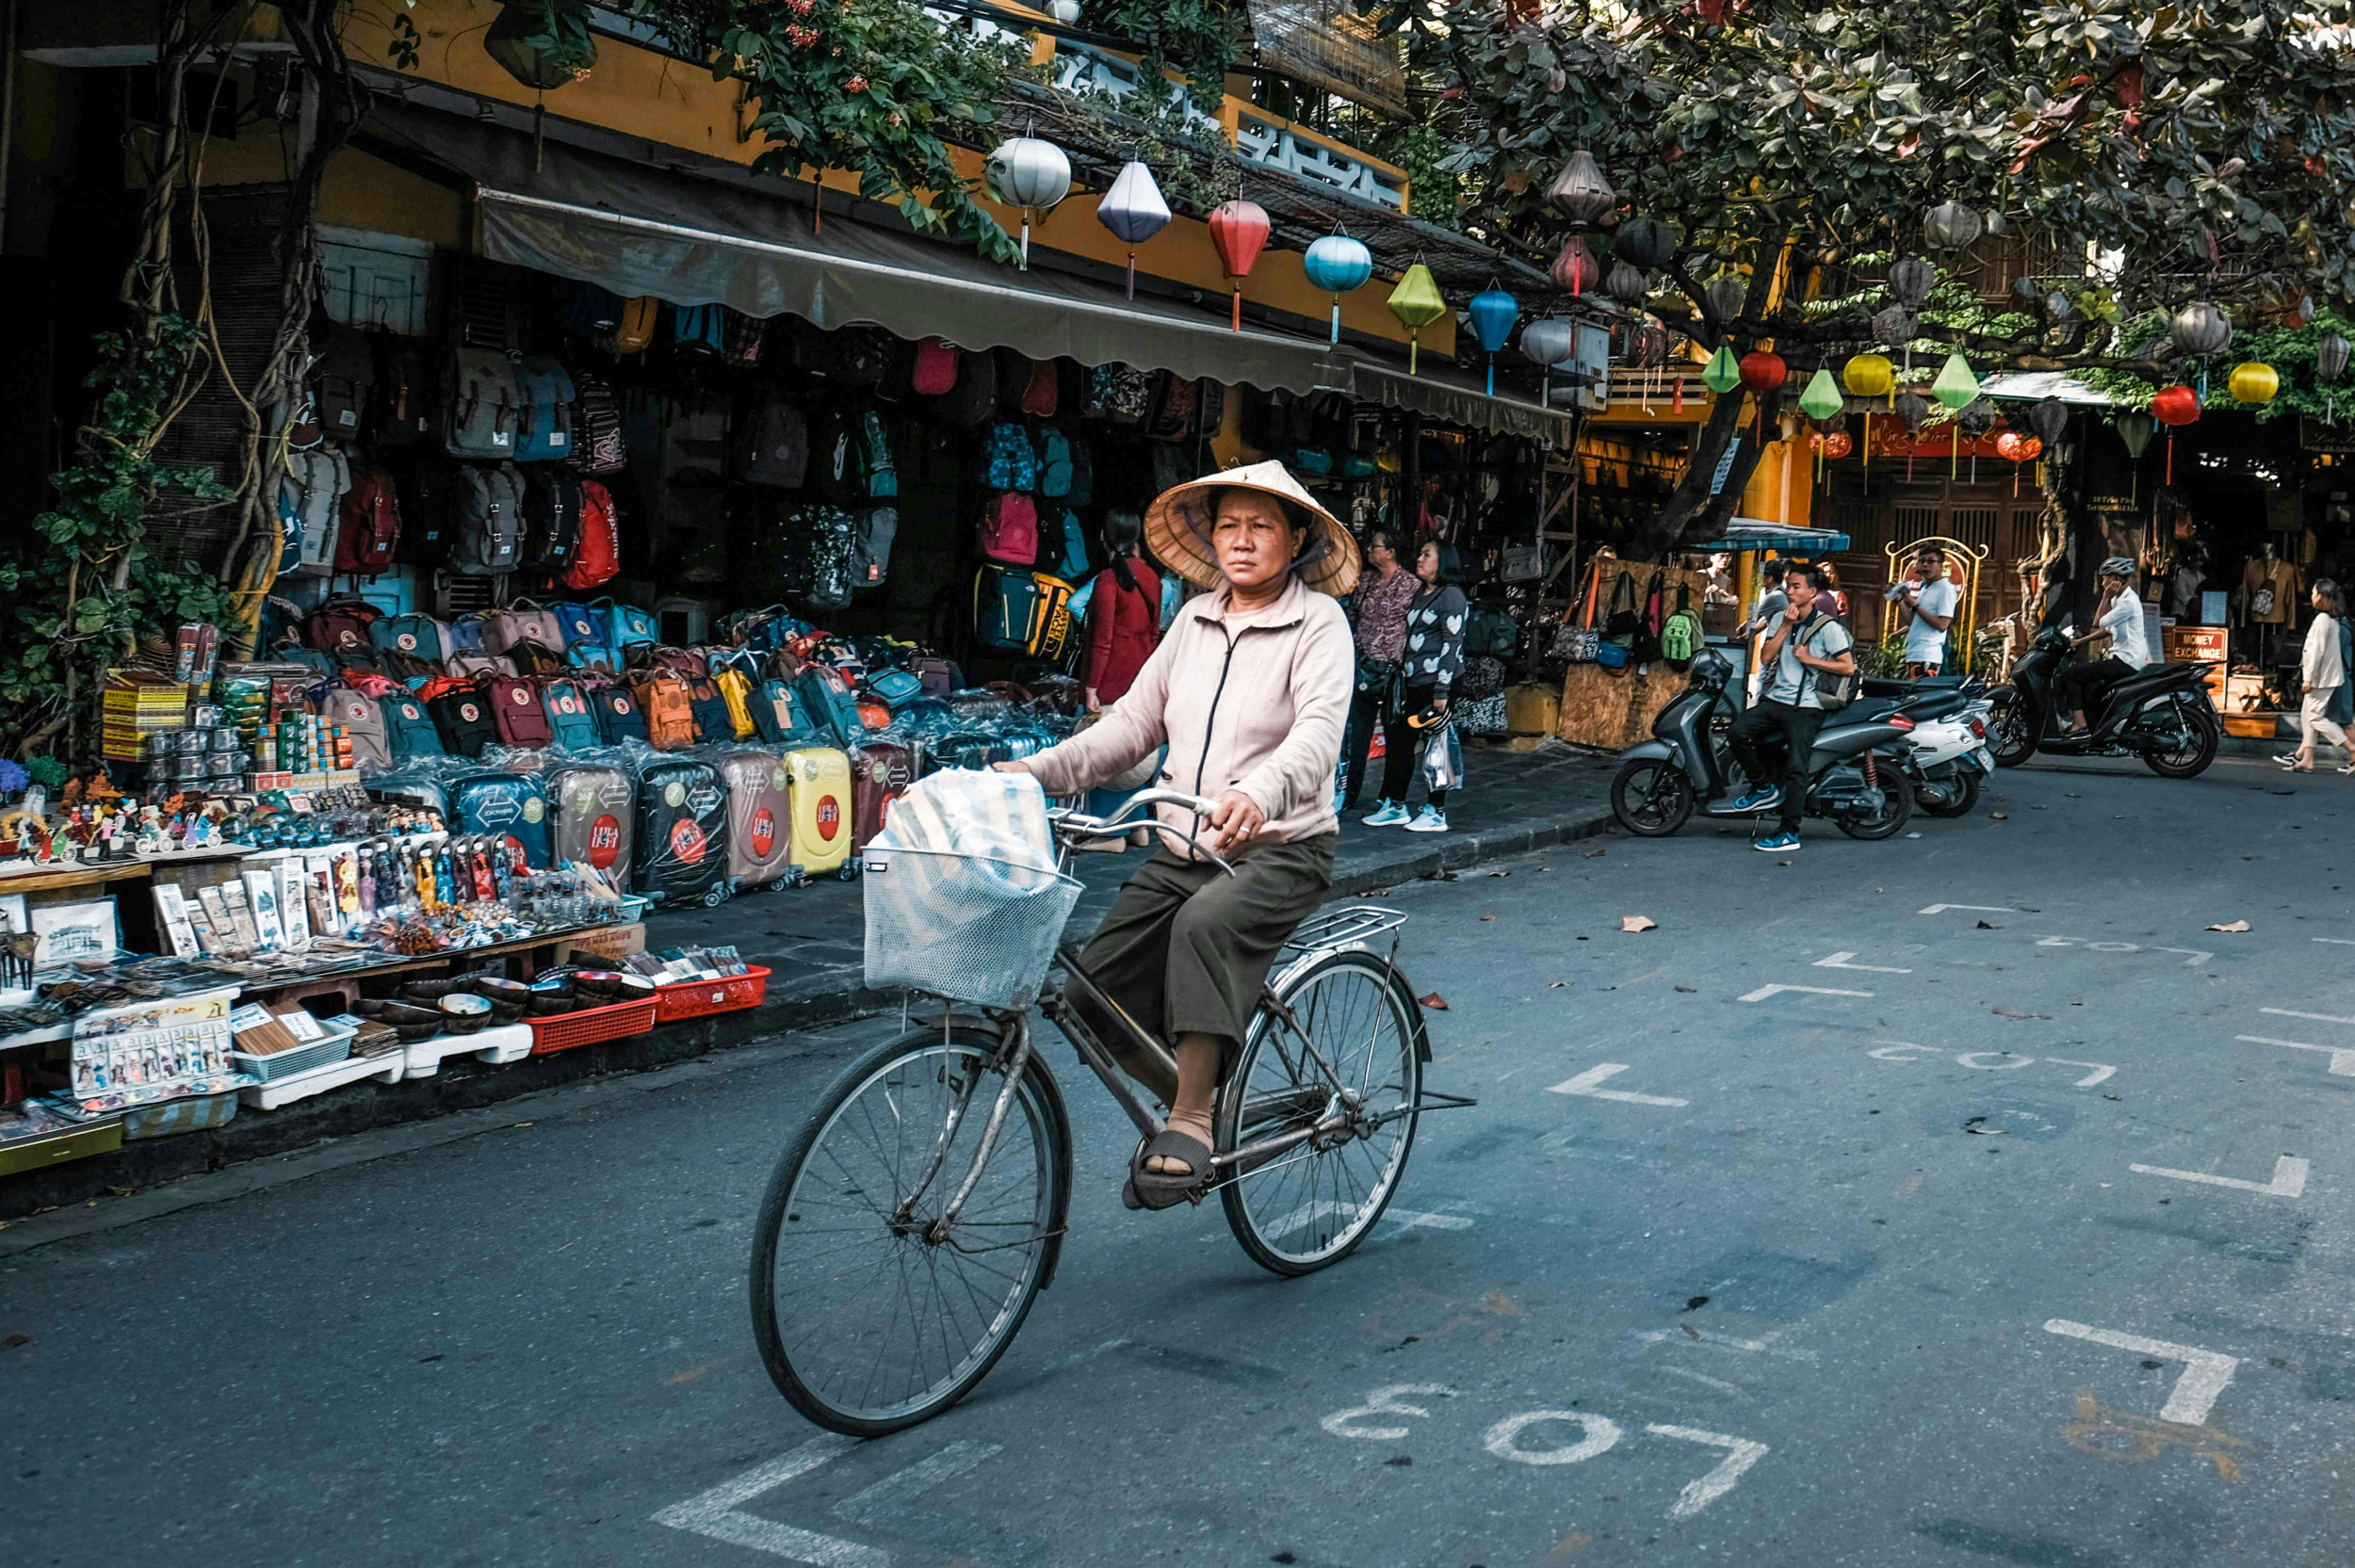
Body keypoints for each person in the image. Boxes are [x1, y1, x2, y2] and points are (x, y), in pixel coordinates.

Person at [1001, 461, 1356, 1208]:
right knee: (1089, 994)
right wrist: (1031, 774)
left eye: (1263, 526)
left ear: (1295, 540)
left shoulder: (1318, 623)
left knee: (1202, 927)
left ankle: (1192, 1116)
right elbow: (1130, 725)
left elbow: (1320, 732)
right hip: (1183, 846)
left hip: (1280, 848)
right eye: (1230, 524)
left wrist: (1258, 793)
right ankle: (1204, 1097)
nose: (1243, 540)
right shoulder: (1192, 620)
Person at [1727, 564, 1857, 854]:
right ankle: (1763, 786)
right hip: (1777, 700)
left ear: (1812, 592)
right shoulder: (1780, 618)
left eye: (1797, 586)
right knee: (1738, 733)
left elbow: (1848, 666)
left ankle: (1789, 831)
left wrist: (1811, 659)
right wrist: (1785, 626)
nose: (1790, 591)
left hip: (1807, 707)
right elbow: (1765, 657)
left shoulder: (1828, 627)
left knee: (1798, 768)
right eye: (1789, 585)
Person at [1363, 541, 1468, 833]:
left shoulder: (1452, 597)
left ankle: (1437, 811)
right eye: (1420, 553)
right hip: (1413, 681)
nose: (1419, 559)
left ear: (1443, 561)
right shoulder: (1423, 593)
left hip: (1437, 684)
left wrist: (1442, 694)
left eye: (1427, 555)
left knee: (1437, 746)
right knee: (1400, 741)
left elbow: (1452, 646)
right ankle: (1395, 804)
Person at [1338, 527, 1417, 811]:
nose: (1370, 550)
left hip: (1394, 671)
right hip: (1363, 667)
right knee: (1356, 735)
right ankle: (1349, 794)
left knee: (1396, 736)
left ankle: (1389, 796)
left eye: (1375, 546)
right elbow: (1354, 615)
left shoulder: (1410, 585)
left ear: (1391, 552)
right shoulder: (1366, 581)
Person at [1080, 510, 1161, 713]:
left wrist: (1092, 688)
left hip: (1108, 688)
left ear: (1103, 536)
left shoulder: (1108, 579)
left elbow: (1102, 640)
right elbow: (1153, 636)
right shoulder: (1152, 578)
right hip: (1140, 689)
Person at [2058, 558, 2150, 734]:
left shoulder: (2127, 603)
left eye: (2104, 578)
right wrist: (2079, 641)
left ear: (2115, 578)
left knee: (2072, 674)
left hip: (2126, 662)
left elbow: (2098, 623)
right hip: (2123, 659)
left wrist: (2105, 597)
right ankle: (2094, 727)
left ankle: (2079, 723)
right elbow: (2108, 629)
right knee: (2091, 689)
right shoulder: (2121, 599)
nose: (2102, 583)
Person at [2281, 578, 2352, 773]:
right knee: (2307, 715)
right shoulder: (2331, 620)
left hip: (2321, 677)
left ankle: (2352, 749)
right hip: (2326, 676)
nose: (2312, 597)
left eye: (2314, 593)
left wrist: (2308, 679)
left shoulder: (2322, 620)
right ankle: (2307, 758)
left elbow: (2317, 652)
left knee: (2315, 717)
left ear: (2322, 596)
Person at [1888, 544, 1959, 677]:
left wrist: (1915, 605)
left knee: (1923, 695)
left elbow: (1943, 624)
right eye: (1922, 561)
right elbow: (1912, 622)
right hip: (1915, 653)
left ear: (1941, 566)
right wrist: (1900, 599)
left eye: (1931, 561)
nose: (1925, 565)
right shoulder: (1925, 588)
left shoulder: (1945, 588)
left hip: (1929, 656)